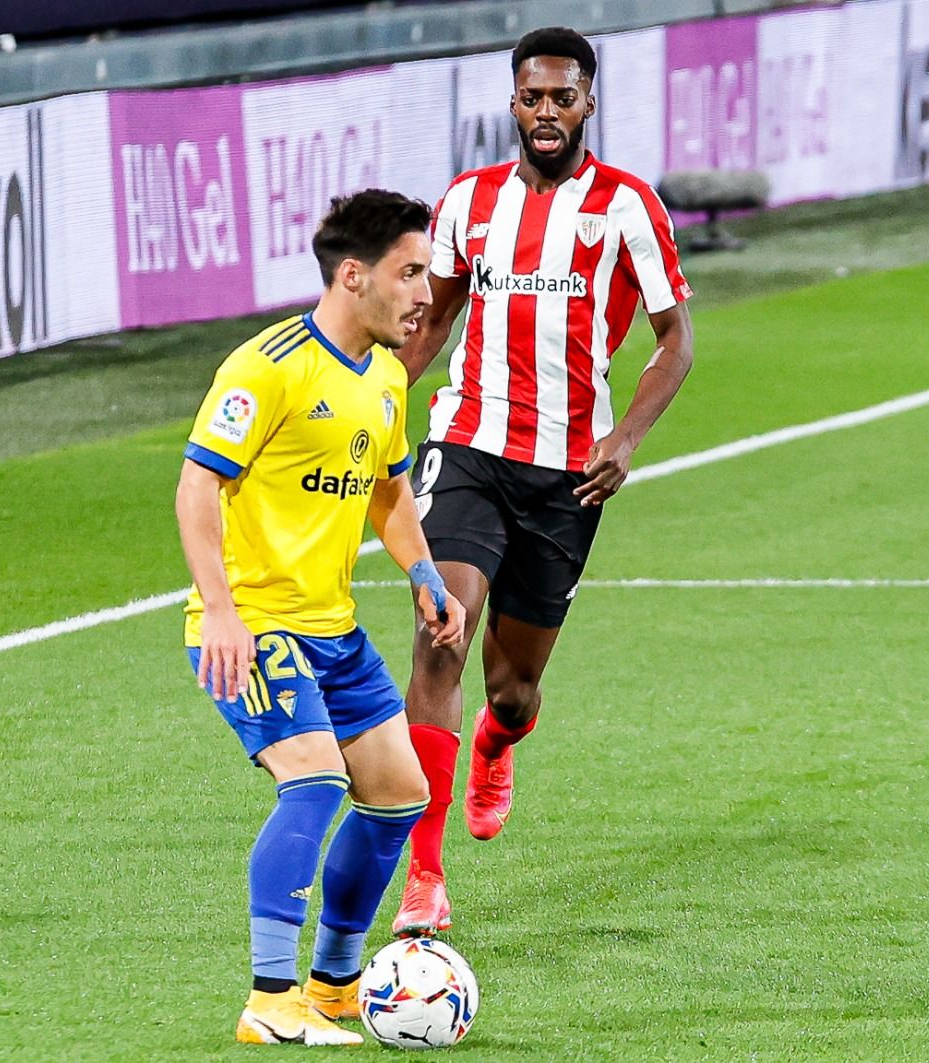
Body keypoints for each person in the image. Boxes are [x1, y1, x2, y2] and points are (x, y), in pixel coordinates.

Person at [388, 26, 694, 936]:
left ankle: (496, 739)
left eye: (564, 98)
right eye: (533, 98)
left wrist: (628, 435)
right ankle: (425, 879)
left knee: (512, 686)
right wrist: (366, 398)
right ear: (513, 103)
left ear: (588, 102)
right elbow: (432, 321)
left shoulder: (629, 207)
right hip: (468, 446)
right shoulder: (468, 203)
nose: (547, 113)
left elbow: (676, 341)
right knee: (441, 633)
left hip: (568, 472)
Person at [176, 189, 466, 1045]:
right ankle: (269, 999)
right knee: (315, 778)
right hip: (255, 624)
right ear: (353, 275)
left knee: (397, 794)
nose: (424, 293)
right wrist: (222, 613)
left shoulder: (383, 375)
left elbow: (387, 488)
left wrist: (420, 568)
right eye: (409, 273)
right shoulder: (266, 368)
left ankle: (335, 990)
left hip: (332, 629)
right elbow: (198, 487)